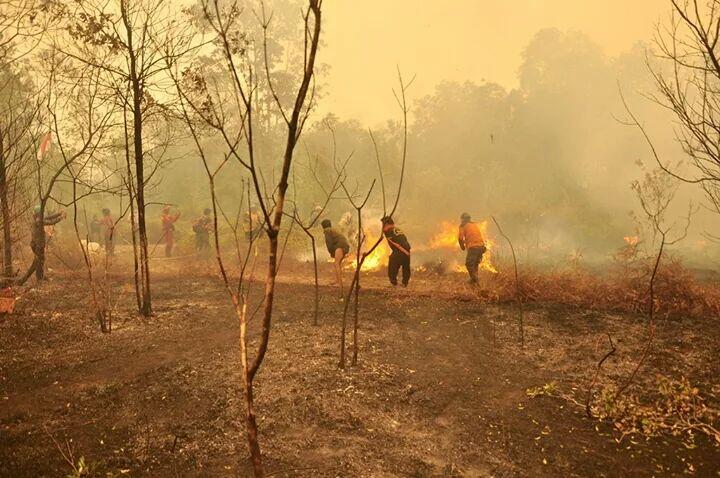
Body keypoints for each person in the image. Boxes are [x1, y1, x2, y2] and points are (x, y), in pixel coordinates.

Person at [29, 205, 66, 281]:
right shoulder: (38, 220)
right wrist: (61, 217)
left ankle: (40, 277)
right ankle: (39, 278)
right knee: (40, 261)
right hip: (37, 244)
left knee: (40, 260)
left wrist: (59, 213)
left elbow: (49, 217)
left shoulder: (37, 218)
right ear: (39, 213)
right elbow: (50, 222)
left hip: (36, 244)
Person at [322, 219, 350, 297]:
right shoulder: (333, 230)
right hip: (345, 245)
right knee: (338, 264)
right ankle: (337, 280)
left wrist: (331, 253)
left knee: (336, 264)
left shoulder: (327, 231)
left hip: (340, 246)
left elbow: (329, 244)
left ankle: (340, 284)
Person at [381, 216, 411, 287]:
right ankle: (405, 282)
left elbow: (386, 231)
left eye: (383, 225)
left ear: (387, 224)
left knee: (393, 263)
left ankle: (393, 282)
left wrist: (384, 230)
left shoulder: (389, 230)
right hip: (407, 249)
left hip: (400, 249)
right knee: (405, 266)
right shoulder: (396, 229)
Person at [458, 212, 486, 284]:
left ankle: (476, 281)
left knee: (469, 264)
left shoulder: (462, 226)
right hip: (481, 247)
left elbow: (460, 238)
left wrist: (462, 246)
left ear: (463, 219)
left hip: (473, 247)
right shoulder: (474, 225)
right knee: (475, 265)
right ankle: (474, 283)